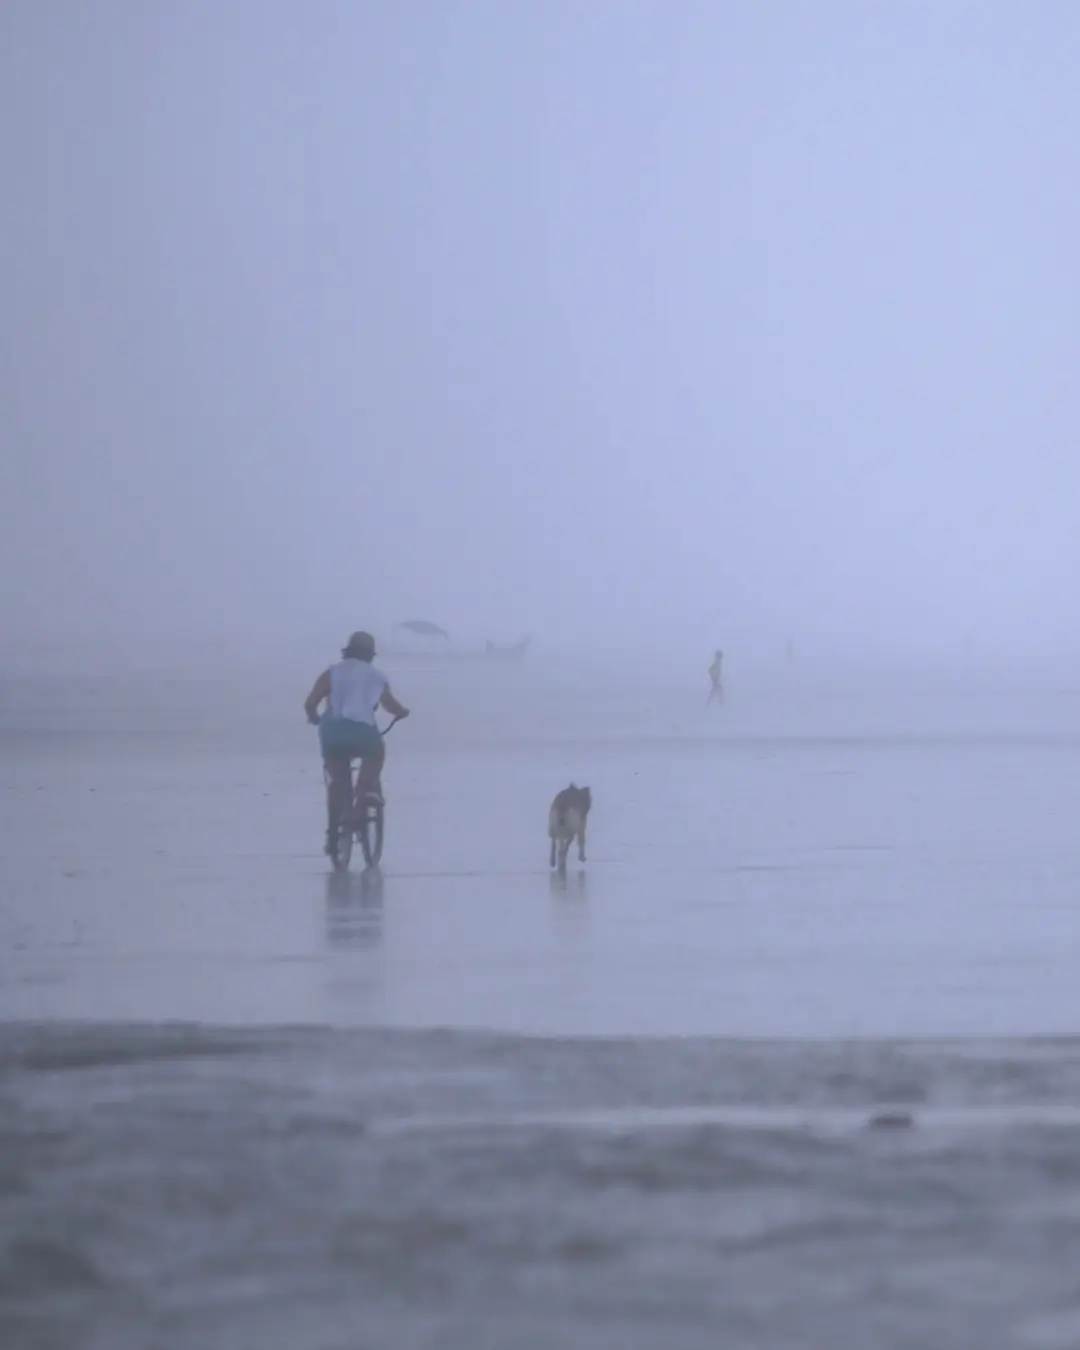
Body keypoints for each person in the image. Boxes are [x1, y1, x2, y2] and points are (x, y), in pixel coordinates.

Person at [304, 631, 410, 855]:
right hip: (363, 732)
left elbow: (310, 702)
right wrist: (402, 712)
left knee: (337, 777)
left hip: (332, 732)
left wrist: (314, 717)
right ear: (370, 654)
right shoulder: (376, 676)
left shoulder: (331, 673)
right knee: (375, 754)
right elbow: (390, 705)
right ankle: (364, 792)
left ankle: (334, 832)